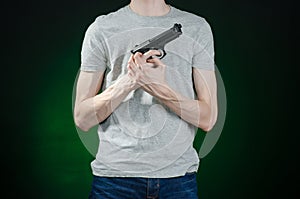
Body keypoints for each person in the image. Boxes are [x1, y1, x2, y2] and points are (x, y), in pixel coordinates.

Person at [74, 0, 218, 198]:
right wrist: (129, 82)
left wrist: (159, 88)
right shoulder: (102, 28)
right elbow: (83, 118)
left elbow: (208, 119)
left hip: (178, 177)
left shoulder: (197, 27)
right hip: (115, 179)